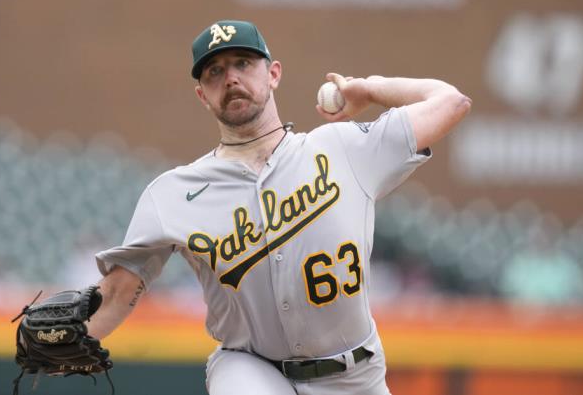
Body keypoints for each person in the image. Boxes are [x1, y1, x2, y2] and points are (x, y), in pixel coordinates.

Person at [87, 20, 472, 395]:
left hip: (356, 375)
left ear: (273, 74)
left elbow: (450, 102)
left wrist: (370, 89)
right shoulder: (173, 193)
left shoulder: (342, 149)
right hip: (250, 366)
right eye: (214, 71)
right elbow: (118, 293)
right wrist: (65, 341)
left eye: (243, 63)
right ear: (203, 95)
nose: (231, 78)